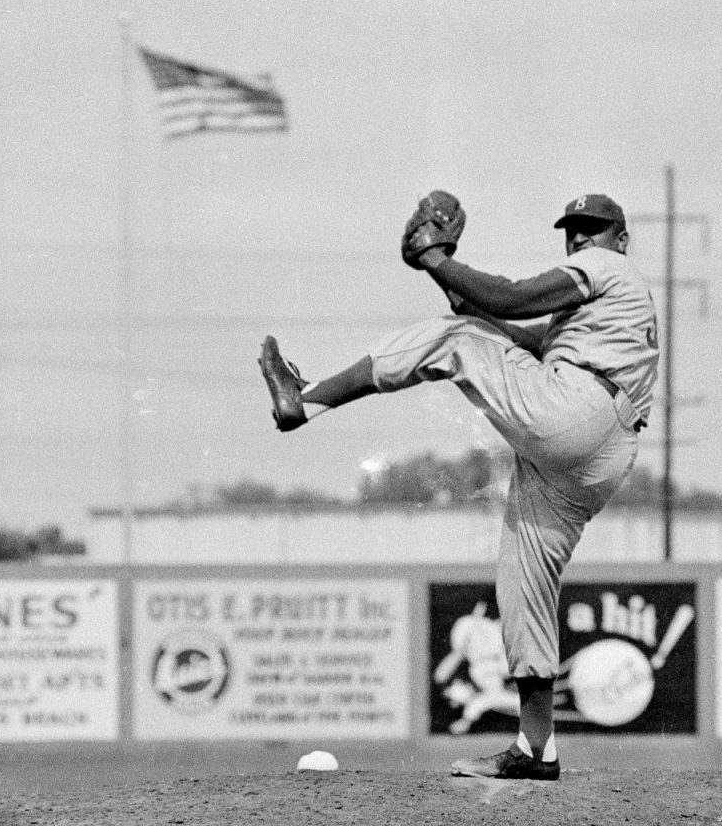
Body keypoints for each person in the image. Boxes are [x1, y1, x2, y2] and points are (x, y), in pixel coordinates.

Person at [258, 193, 659, 780]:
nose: (579, 239)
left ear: (620, 240)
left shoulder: (611, 267)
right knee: (524, 579)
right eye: (572, 230)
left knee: (455, 340)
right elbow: (508, 331)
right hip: (601, 450)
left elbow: (511, 298)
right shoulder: (600, 318)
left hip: (578, 408)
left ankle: (307, 400)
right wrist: (441, 272)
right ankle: (536, 747)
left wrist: (438, 258)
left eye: (593, 229)